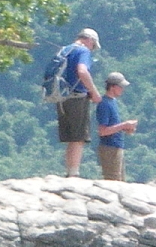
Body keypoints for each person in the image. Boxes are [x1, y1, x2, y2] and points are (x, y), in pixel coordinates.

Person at [56, 28, 103, 178]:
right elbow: (82, 71)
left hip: (60, 97)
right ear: (89, 40)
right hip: (77, 97)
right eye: (93, 46)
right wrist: (94, 92)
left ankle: (69, 172)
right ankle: (74, 173)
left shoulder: (65, 50)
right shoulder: (83, 51)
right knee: (78, 137)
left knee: (70, 137)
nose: (92, 49)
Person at [95, 72, 137, 181]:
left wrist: (125, 128)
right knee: (113, 180)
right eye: (120, 87)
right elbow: (102, 131)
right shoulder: (104, 104)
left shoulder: (113, 101)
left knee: (120, 180)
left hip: (117, 146)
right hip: (109, 148)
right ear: (112, 87)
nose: (122, 89)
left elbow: (113, 126)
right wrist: (124, 125)